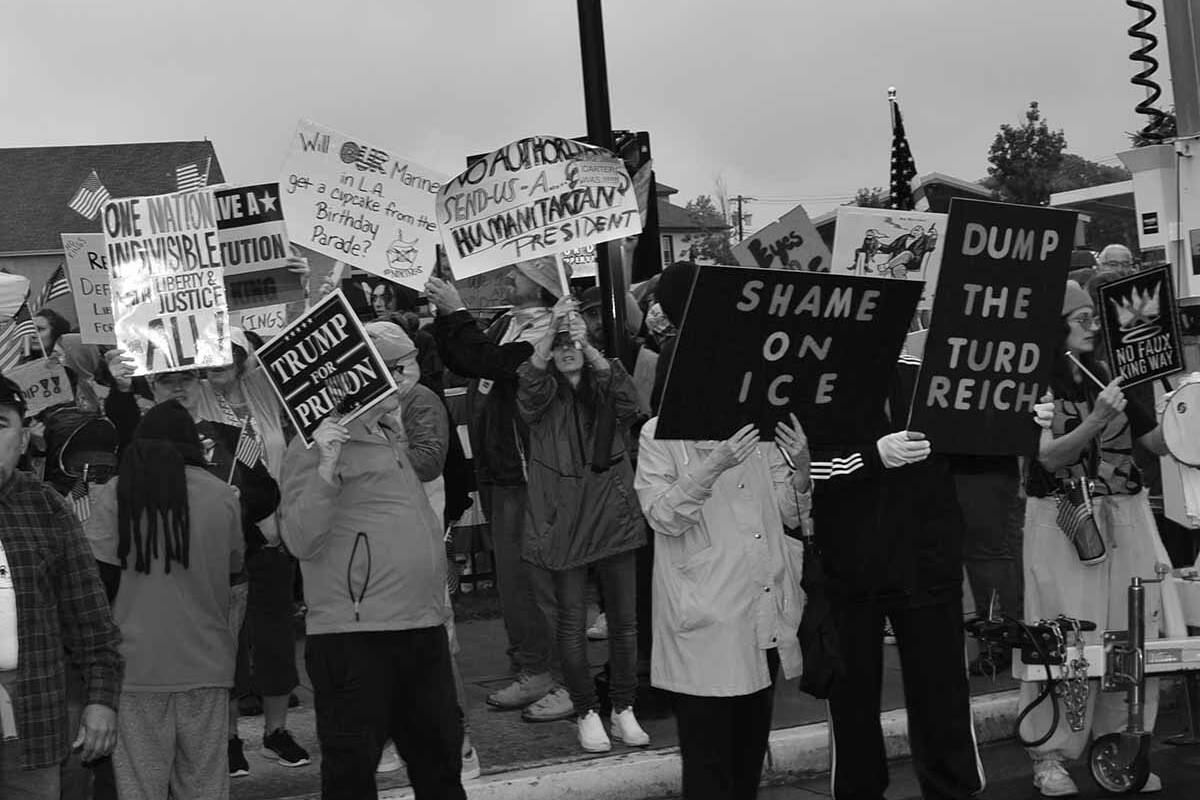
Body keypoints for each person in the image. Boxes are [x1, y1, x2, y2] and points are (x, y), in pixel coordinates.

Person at [102, 343, 306, 776]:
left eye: (185, 378)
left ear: (198, 382)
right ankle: (227, 738)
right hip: (180, 570)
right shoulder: (141, 435)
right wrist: (119, 389)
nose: (177, 387)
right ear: (151, 385)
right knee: (219, 650)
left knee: (273, 641)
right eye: (165, 379)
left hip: (249, 552)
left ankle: (276, 732)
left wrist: (235, 506)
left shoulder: (229, 431)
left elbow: (265, 489)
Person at [280, 328, 465, 800]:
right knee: (351, 777)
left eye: (405, 368)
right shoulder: (317, 445)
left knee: (440, 766)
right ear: (363, 379)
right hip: (355, 639)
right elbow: (299, 537)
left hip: (419, 629)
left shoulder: (388, 437)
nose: (405, 380)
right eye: (394, 370)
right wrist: (324, 463)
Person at [1021, 281, 1176, 797]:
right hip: (1063, 517)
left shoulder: (1110, 374)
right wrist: (1096, 418)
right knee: (1063, 636)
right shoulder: (1033, 382)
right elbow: (1048, 458)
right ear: (1054, 324)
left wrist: (1184, 412)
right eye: (1080, 317)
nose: (1092, 326)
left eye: (1094, 317)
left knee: (1132, 632)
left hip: (1125, 509)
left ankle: (1123, 744)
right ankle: (1049, 755)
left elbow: (1149, 442)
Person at [808, 354, 984, 800]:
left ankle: (953, 789)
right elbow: (797, 469)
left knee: (942, 697)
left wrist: (1021, 423)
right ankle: (859, 791)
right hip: (851, 563)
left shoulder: (928, 372)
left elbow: (977, 445)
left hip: (927, 559)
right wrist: (869, 457)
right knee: (852, 702)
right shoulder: (816, 377)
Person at [425, 256, 576, 723]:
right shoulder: (510, 323)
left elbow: (495, 364)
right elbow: (462, 359)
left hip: (531, 472)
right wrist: (444, 313)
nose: (508, 276)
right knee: (513, 579)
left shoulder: (556, 331)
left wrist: (457, 312)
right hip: (501, 468)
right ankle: (532, 664)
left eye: (520, 272)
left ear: (542, 284)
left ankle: (556, 674)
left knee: (537, 580)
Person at [634, 414, 809, 799]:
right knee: (707, 767)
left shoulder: (758, 428)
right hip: (705, 623)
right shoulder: (658, 433)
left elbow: (792, 513)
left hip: (762, 611)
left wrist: (802, 468)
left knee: (747, 761)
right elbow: (662, 516)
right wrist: (714, 464)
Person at [84, 400, 246, 800]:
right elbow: (234, 569)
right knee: (206, 787)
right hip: (207, 664)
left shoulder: (114, 494)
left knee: (139, 789)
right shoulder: (222, 495)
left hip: (134, 669)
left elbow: (94, 581)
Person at [517, 313, 648, 753]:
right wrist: (546, 339)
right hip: (565, 523)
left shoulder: (606, 385)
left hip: (613, 515)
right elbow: (529, 387)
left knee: (625, 624)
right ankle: (587, 710)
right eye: (559, 344)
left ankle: (623, 708)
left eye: (573, 340)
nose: (567, 347)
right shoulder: (541, 396)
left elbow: (633, 405)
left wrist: (590, 347)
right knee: (572, 624)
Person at [0, 374, 122, 799]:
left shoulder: (47, 506)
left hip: (32, 717)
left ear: (24, 437)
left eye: (0, 423)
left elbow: (90, 619)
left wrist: (101, 699)